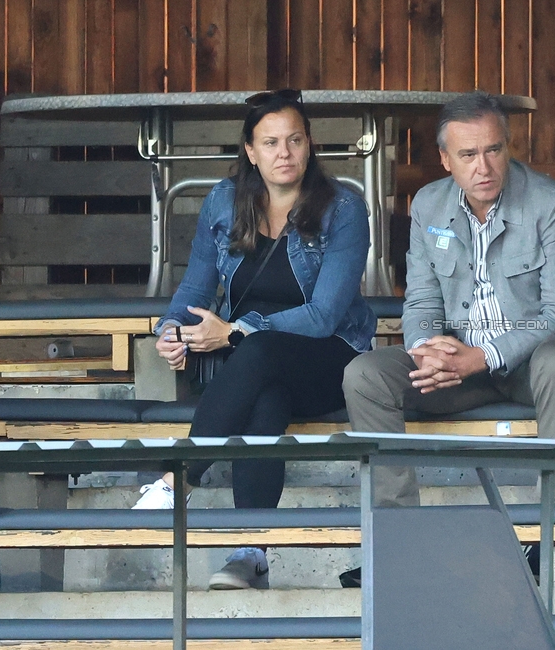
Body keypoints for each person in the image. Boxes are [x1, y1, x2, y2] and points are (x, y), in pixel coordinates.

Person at [134, 88, 376, 591]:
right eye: (270, 142)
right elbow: (195, 288)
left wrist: (237, 331)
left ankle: (178, 478)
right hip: (252, 365)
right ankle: (249, 555)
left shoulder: (344, 209)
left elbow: (324, 315)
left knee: (260, 351)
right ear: (249, 150)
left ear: (310, 145)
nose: (283, 153)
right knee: (265, 393)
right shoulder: (224, 203)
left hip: (329, 359)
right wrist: (173, 331)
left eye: (294, 140)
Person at [339, 92, 555, 584]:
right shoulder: (428, 204)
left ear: (508, 147)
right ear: (445, 159)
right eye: (468, 155)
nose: (484, 166)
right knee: (364, 374)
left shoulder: (549, 204)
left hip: (528, 364)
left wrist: (484, 356)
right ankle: (399, 543)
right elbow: (423, 302)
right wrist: (428, 349)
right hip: (456, 365)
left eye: (494, 150)